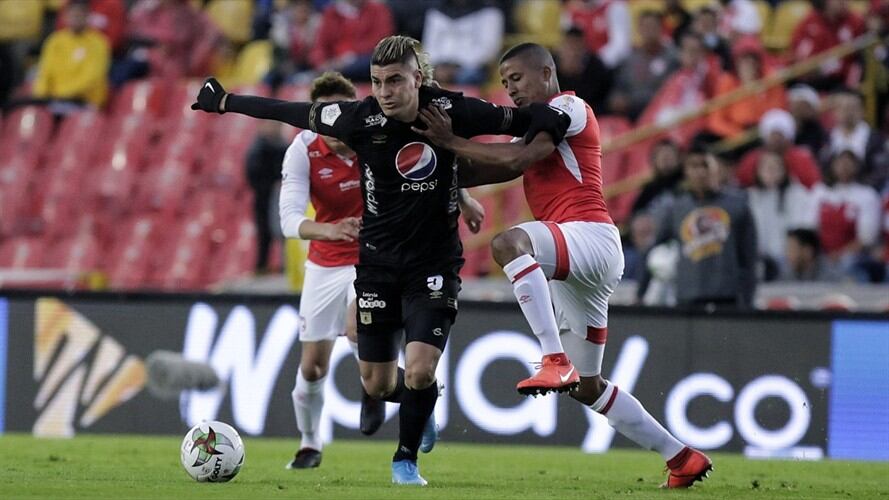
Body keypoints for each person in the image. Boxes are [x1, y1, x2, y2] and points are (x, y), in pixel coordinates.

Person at [191, 35, 570, 486]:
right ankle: (420, 402)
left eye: (394, 80)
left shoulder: (451, 110)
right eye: (376, 82)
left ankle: (404, 461)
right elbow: (290, 111)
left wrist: (563, 115)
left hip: (433, 265)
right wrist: (227, 101)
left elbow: (521, 117)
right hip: (376, 266)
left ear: (418, 79)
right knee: (377, 384)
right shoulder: (360, 118)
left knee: (423, 366)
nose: (385, 91)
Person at [412, 42, 712, 489]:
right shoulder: (538, 126)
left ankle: (552, 357)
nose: (510, 89)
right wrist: (424, 166)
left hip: (588, 235)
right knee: (586, 388)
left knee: (509, 243)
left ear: (546, 71)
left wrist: (450, 140)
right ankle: (681, 457)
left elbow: (519, 159)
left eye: (517, 78)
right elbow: (493, 168)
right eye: (505, 82)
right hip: (581, 260)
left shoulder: (568, 106)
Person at [639, 145, 758, 309]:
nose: (700, 172)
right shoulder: (677, 209)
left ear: (717, 169)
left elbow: (748, 259)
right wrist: (640, 293)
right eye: (694, 166)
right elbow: (653, 250)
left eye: (705, 165)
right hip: (688, 297)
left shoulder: (738, 206)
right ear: (686, 171)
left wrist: (747, 301)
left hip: (728, 298)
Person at [32, 0, 111, 108]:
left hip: (84, 102)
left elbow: (93, 77)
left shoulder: (99, 43)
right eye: (73, 14)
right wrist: (41, 96)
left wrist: (64, 93)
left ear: (88, 16)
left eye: (80, 14)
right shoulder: (55, 41)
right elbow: (45, 71)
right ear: (65, 16)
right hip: (54, 100)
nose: (76, 18)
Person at [245, 121, 288, 273]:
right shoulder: (258, 148)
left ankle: (286, 265)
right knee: (264, 233)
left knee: (286, 232)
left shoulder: (285, 147)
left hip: (281, 197)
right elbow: (252, 174)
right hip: (264, 198)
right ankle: (262, 265)